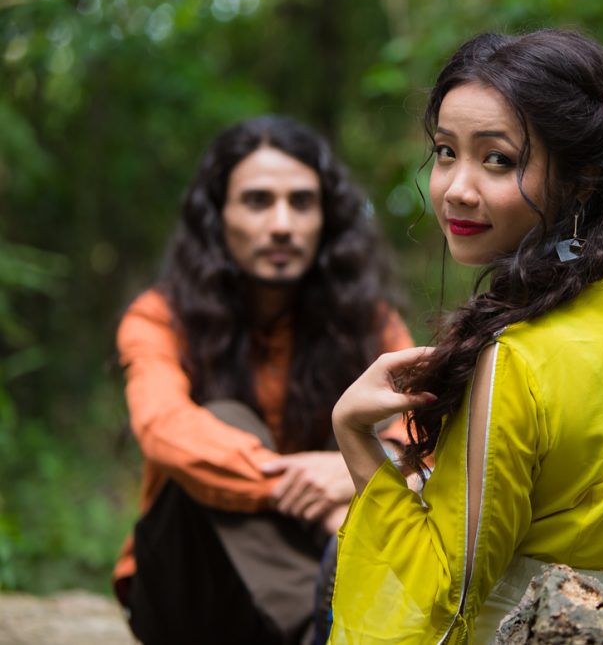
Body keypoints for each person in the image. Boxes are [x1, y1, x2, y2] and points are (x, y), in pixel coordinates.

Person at [328, 30, 603, 643]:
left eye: (498, 160)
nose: (457, 188)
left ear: (580, 179)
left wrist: (354, 434)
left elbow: (441, 593)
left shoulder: (512, 361)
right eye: (446, 152)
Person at [113, 116, 413, 645]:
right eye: (257, 201)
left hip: (312, 571)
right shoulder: (159, 317)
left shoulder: (368, 323)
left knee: (360, 424)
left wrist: (361, 464)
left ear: (325, 218)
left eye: (301, 202)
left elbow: (417, 426)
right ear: (218, 216)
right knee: (223, 423)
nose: (281, 224)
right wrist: (310, 490)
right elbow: (163, 426)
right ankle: (321, 630)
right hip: (190, 591)